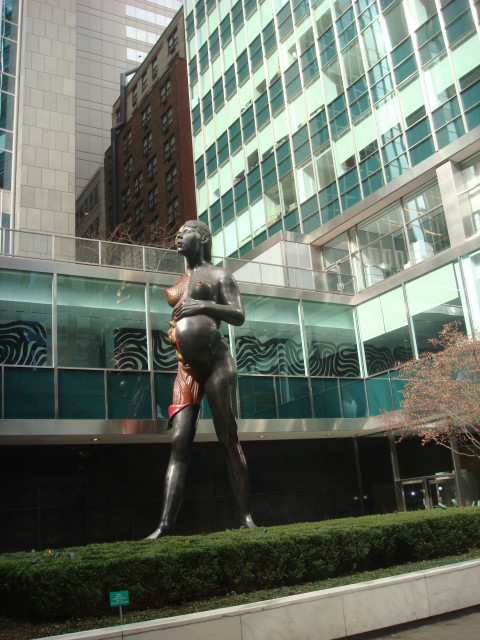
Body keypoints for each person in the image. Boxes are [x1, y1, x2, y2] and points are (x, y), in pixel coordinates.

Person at [146, 220, 256, 538]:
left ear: (203, 237)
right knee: (179, 444)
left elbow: (238, 314)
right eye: (178, 233)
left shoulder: (220, 275)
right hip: (187, 369)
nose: (178, 237)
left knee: (228, 438)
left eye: (186, 232)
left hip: (217, 364)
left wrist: (203, 304)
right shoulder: (183, 279)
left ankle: (246, 517)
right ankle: (165, 525)